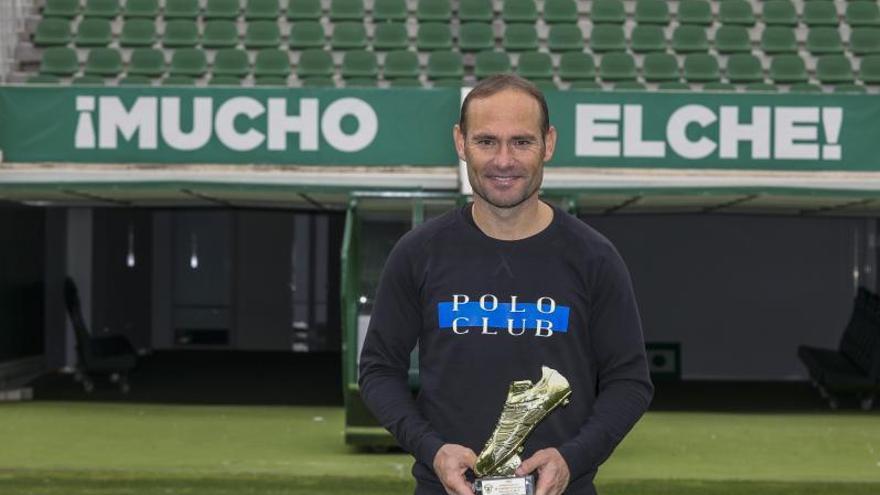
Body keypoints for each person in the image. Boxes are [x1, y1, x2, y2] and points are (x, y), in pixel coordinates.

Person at [358, 74, 653, 495]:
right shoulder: (418, 253)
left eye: (521, 141)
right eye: (486, 141)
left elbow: (630, 382)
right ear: (460, 143)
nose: (503, 160)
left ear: (548, 143)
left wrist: (573, 458)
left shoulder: (594, 258)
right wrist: (433, 449)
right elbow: (378, 371)